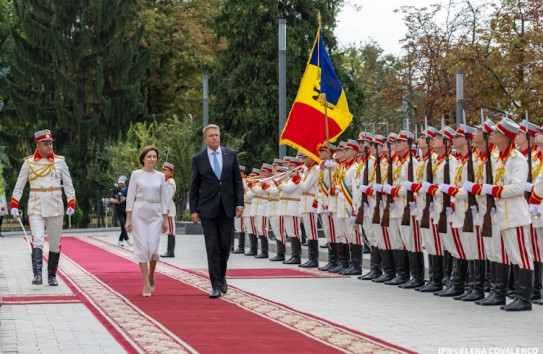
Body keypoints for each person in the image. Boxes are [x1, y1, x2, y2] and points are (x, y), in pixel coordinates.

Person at [10, 129, 76, 286]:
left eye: (50, 143)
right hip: (36, 204)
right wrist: (14, 203)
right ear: (37, 145)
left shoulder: (60, 162)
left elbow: (68, 185)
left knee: (54, 242)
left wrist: (71, 202)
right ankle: (37, 275)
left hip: (56, 205)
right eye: (45, 144)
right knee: (38, 239)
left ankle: (52, 275)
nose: (49, 146)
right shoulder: (29, 163)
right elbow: (19, 185)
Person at [189, 124, 244, 299]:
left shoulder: (231, 155)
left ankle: (222, 275)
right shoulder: (198, 159)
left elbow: (237, 182)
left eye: (217, 135)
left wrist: (240, 203)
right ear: (205, 139)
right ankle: (215, 284)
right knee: (212, 246)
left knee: (225, 245)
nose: (215, 138)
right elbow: (194, 186)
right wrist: (193, 210)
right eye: (211, 135)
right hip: (207, 209)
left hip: (227, 207)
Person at [125, 145, 169, 297]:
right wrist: (128, 219)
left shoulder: (160, 176)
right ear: (143, 158)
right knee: (143, 248)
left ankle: (152, 275)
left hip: (155, 213)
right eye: (149, 156)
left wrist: (164, 219)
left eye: (154, 157)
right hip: (139, 213)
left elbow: (164, 198)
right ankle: (145, 282)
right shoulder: (136, 174)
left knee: (153, 249)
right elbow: (130, 197)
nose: (152, 159)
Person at [160, 162, 177, 258]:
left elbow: (167, 198)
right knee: (169, 230)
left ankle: (170, 251)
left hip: (168, 210)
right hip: (165, 209)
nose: (162, 171)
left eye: (164, 170)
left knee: (171, 230)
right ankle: (169, 251)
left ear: (169, 171)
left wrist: (165, 211)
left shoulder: (170, 182)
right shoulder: (166, 181)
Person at [109, 176, 131, 247]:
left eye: (122, 183)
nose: (120, 184)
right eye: (119, 183)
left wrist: (125, 198)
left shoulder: (128, 190)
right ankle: (127, 239)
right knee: (123, 223)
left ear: (125, 183)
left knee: (124, 225)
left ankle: (120, 240)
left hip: (127, 209)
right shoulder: (115, 190)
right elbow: (111, 198)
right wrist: (115, 201)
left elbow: (132, 198)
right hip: (119, 210)